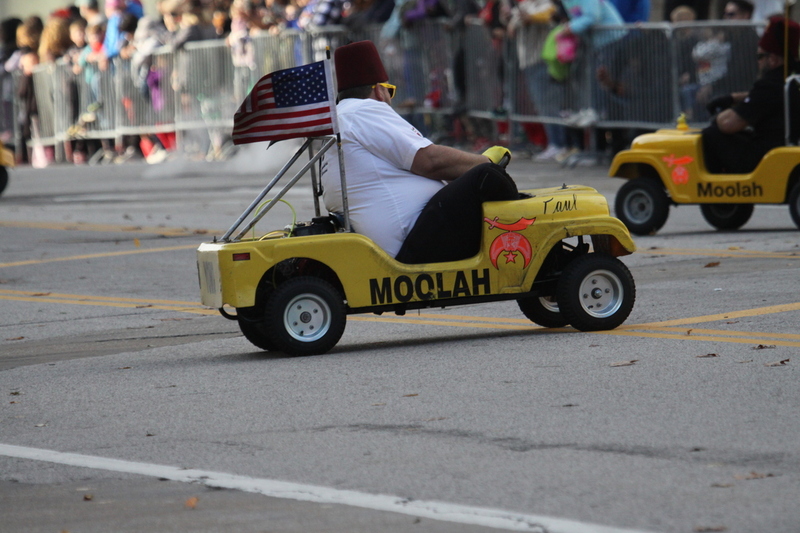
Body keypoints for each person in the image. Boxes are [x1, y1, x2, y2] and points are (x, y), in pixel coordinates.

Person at [321, 40, 519, 264]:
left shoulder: (341, 116)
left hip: (406, 236)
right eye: (390, 92)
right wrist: (485, 161)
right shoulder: (363, 110)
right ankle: (521, 251)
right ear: (378, 90)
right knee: (486, 176)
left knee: (480, 176)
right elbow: (430, 161)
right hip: (413, 239)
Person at [702, 16, 800, 174]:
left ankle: (718, 193)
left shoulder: (769, 84)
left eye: (760, 56)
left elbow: (728, 124)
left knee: (711, 133)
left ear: (773, 59)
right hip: (788, 145)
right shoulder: (792, 78)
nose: (758, 62)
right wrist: (734, 97)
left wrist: (721, 111)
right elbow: (770, 97)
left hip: (767, 156)